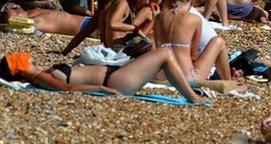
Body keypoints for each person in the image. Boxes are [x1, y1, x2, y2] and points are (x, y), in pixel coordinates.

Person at [0, 51, 204, 104]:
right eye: (24, 61)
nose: (30, 59)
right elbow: (68, 89)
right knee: (165, 54)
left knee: (162, 57)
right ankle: (193, 98)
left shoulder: (40, 74)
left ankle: (191, 90)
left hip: (114, 75)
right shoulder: (40, 78)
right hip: (114, 82)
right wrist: (102, 90)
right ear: (20, 70)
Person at [153, 0, 232, 82]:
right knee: (219, 41)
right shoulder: (195, 19)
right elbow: (193, 55)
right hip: (185, 77)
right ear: (190, 0)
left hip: (162, 74)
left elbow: (157, 47)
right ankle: (229, 83)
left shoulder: (159, 18)